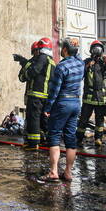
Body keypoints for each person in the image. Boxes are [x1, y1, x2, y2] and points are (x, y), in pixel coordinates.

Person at [41, 38, 85, 182]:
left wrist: (48, 107)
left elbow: (54, 91)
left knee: (54, 135)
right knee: (70, 138)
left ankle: (53, 172)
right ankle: (68, 172)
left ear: (65, 50)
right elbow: (78, 57)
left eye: (62, 48)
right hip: (75, 103)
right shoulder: (81, 64)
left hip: (62, 103)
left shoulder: (61, 67)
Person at [15, 38, 56, 150]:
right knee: (44, 119)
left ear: (39, 49)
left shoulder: (40, 60)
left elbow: (29, 74)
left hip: (36, 95)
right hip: (47, 96)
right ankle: (44, 140)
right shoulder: (52, 61)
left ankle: (33, 144)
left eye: (35, 52)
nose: (34, 55)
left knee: (34, 118)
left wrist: (26, 68)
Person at [77, 40, 106, 147]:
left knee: (100, 120)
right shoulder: (86, 62)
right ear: (91, 50)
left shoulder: (103, 63)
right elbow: (80, 75)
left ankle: (98, 139)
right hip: (88, 97)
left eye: (99, 49)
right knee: (83, 120)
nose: (97, 51)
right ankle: (79, 139)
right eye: (95, 49)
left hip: (100, 98)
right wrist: (87, 66)